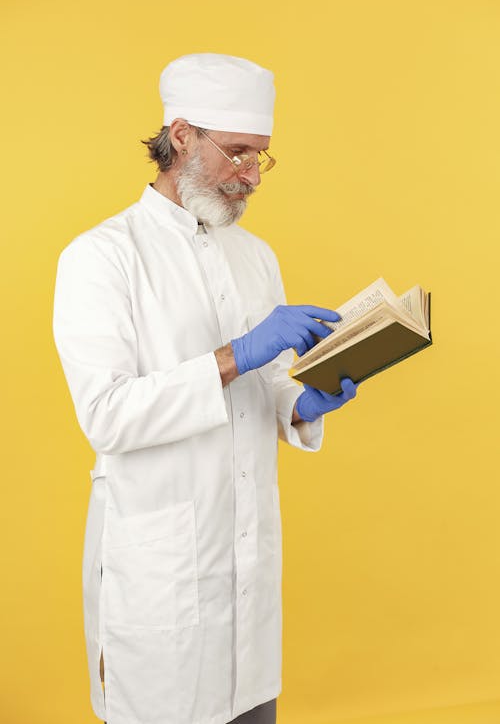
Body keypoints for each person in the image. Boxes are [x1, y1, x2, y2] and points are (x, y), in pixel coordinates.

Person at [52, 53, 359, 724]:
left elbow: (268, 384)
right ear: (182, 135)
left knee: (251, 709)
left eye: (262, 156)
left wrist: (300, 401)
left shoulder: (255, 255)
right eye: (238, 152)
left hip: (246, 569)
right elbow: (107, 414)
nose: (251, 174)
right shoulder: (102, 257)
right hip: (161, 573)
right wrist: (235, 356)